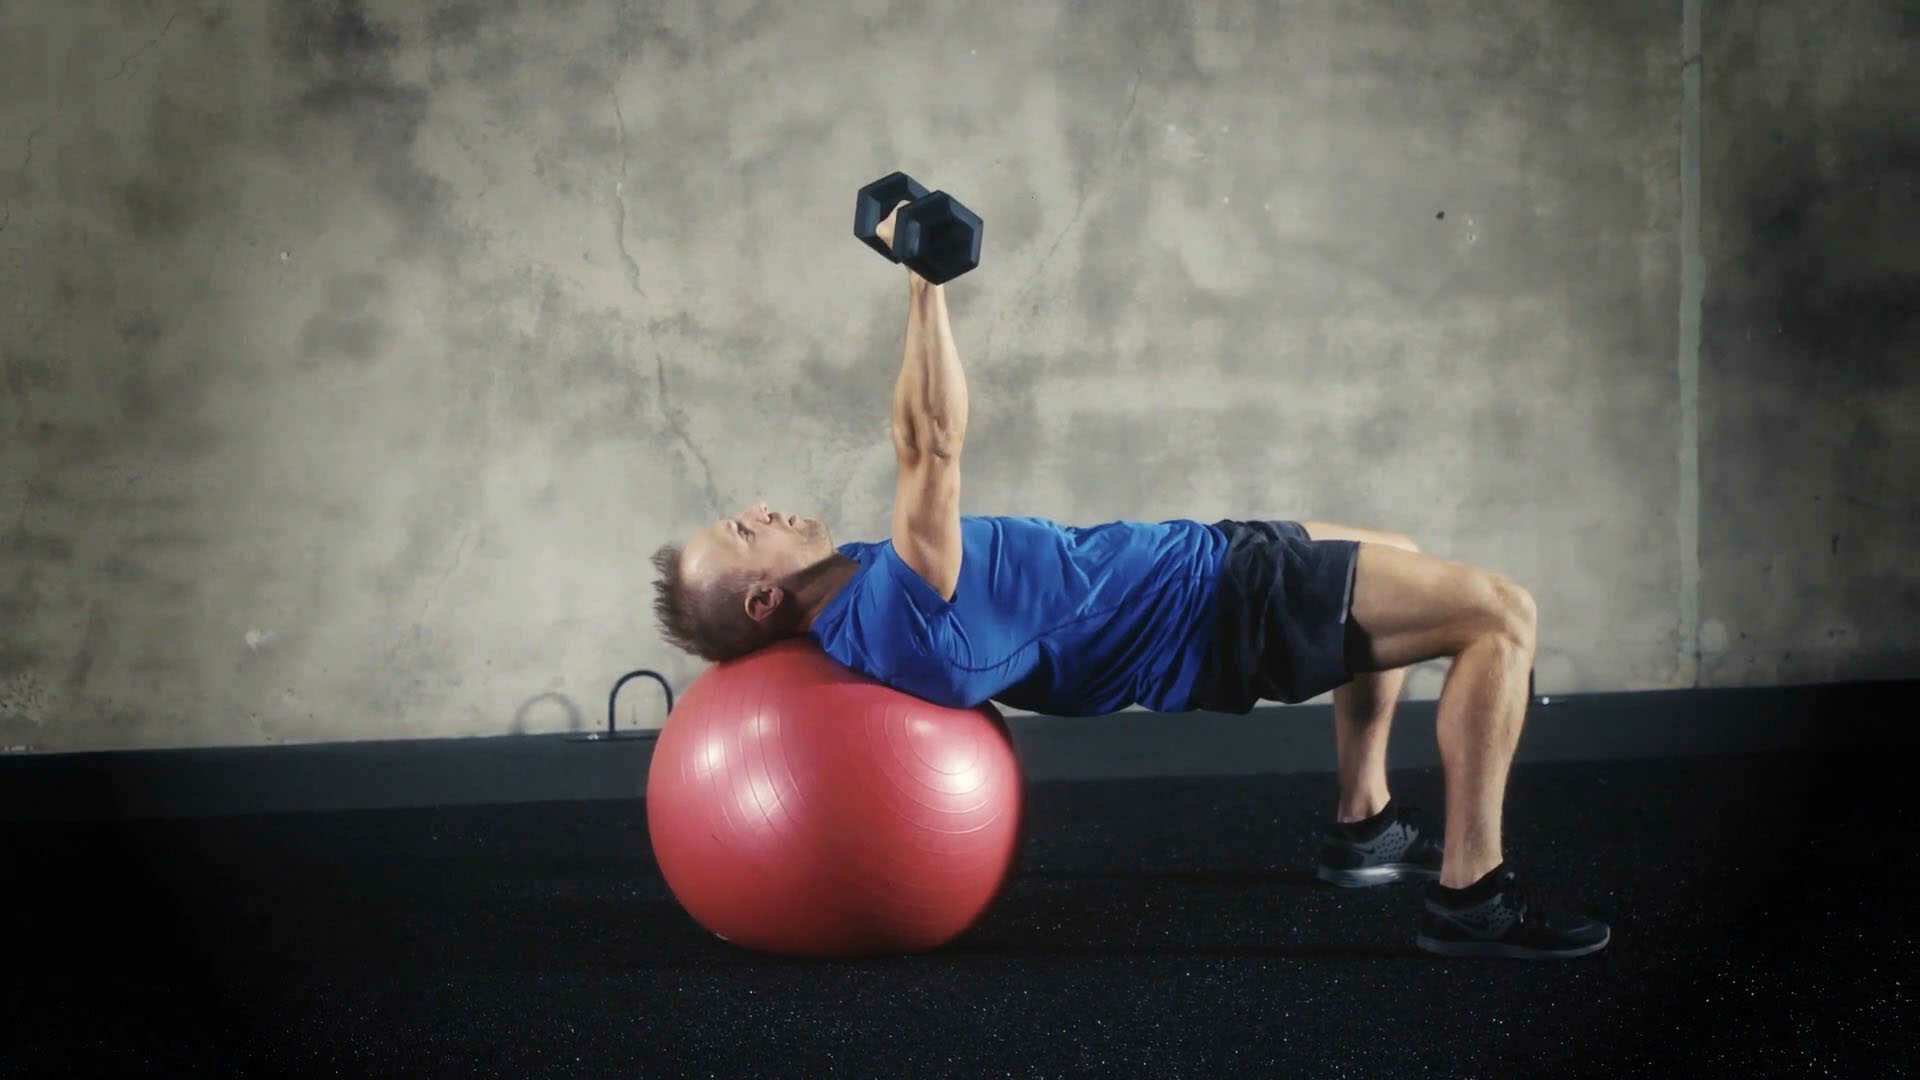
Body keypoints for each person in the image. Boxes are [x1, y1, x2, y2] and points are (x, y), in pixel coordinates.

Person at [649, 201, 1609, 961]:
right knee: (1499, 617)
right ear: (764, 602)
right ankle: (1472, 896)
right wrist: (923, 280)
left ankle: (1364, 827)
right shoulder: (891, 607)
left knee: (1395, 548)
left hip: (1198, 561)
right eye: (745, 531)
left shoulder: (852, 582)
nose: (764, 509)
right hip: (1218, 608)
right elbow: (930, 444)